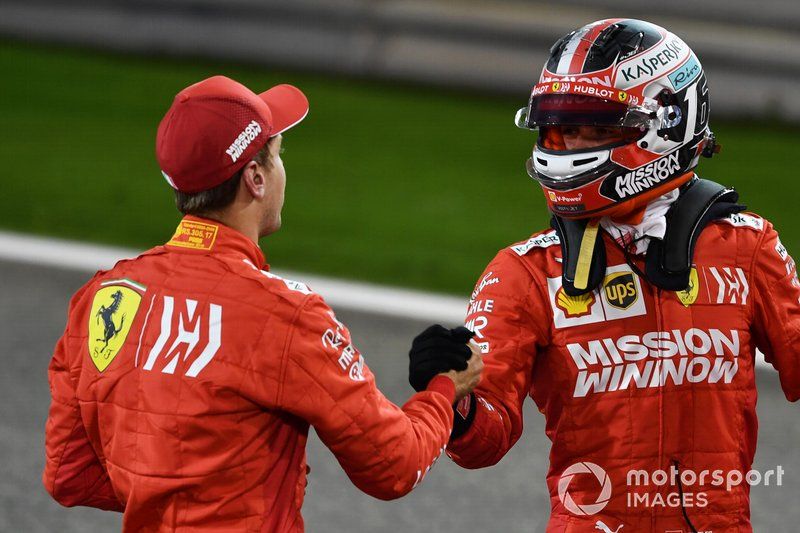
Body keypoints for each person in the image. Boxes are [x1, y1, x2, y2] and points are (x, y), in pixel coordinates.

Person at [42, 75, 482, 532]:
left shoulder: (104, 295)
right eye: (277, 156)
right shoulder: (287, 315)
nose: (281, 170)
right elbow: (394, 465)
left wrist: (168, 495)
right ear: (254, 178)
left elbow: (68, 475)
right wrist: (444, 390)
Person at [447, 18, 800, 533]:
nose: (566, 145)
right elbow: (485, 441)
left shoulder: (748, 247)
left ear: (669, 123)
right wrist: (454, 401)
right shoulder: (523, 273)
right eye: (558, 128)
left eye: (593, 127)